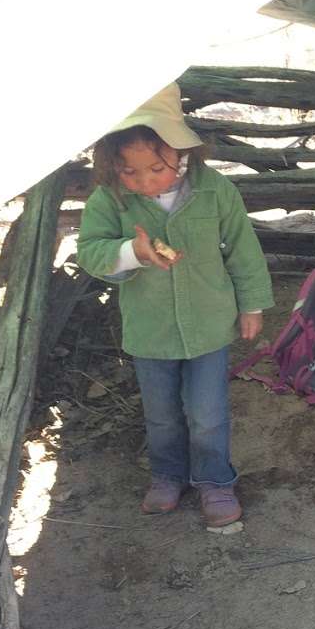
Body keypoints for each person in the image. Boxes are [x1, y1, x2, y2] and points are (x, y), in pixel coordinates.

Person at [77, 82, 273, 527]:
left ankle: (214, 481)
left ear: (181, 155)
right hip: (151, 330)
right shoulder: (109, 199)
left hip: (209, 325)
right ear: (111, 165)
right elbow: (90, 250)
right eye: (129, 172)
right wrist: (131, 252)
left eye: (156, 169)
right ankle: (167, 475)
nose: (144, 181)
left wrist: (252, 305)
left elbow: (242, 249)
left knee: (207, 414)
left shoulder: (215, 191)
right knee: (162, 415)